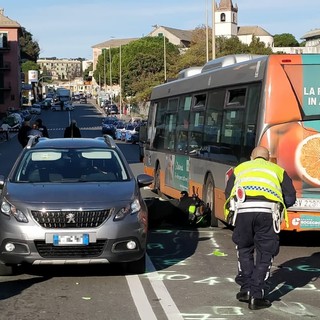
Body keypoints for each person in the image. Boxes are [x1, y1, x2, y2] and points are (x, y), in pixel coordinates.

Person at [224, 146, 296, 310]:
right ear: (268, 158)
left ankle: (246, 288)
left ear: (251, 157)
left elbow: (228, 192)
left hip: (243, 212)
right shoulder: (277, 170)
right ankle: (257, 295)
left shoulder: (240, 168)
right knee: (265, 252)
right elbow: (290, 197)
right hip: (267, 212)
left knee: (244, 248)